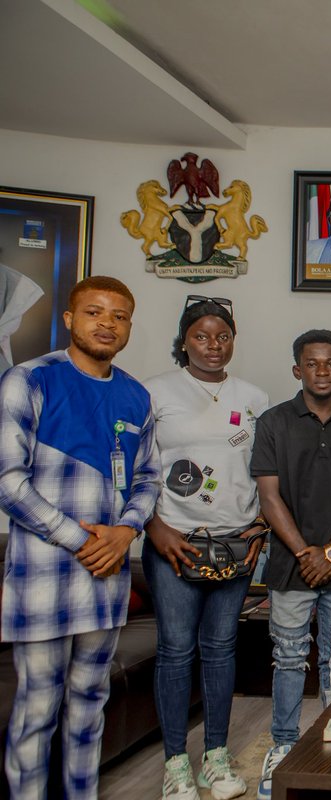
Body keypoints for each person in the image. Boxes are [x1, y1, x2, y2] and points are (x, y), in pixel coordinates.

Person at [0, 276, 159, 800]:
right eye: (94, 313)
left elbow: (148, 480)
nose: (107, 324)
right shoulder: (30, 380)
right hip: (43, 580)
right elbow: (6, 480)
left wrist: (124, 533)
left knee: (91, 704)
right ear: (70, 319)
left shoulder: (136, 396)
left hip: (106, 579)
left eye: (119, 316)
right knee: (38, 707)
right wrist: (80, 538)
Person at [142, 296, 269, 800]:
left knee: (221, 650)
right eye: (202, 336)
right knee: (175, 651)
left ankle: (216, 758)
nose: (213, 346)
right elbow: (136, 468)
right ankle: (176, 763)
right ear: (184, 340)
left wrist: (258, 528)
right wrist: (155, 529)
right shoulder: (154, 393)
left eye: (222, 336)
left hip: (235, 544)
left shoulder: (254, 396)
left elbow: (264, 470)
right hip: (174, 540)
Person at [250, 330, 331, 800]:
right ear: (297, 370)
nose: (323, 370)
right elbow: (269, 497)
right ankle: (283, 748)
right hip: (289, 567)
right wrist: (307, 551)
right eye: (312, 363)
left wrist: (330, 551)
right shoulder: (273, 423)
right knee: (287, 658)